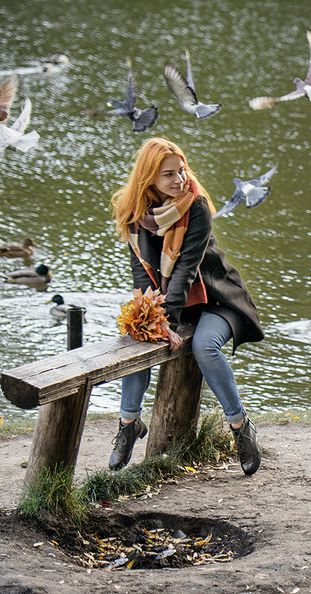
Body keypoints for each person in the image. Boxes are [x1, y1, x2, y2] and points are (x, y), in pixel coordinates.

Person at [108, 137, 265, 474]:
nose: (179, 180)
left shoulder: (195, 206)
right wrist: (150, 316)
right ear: (149, 178)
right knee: (135, 338)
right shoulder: (134, 213)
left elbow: (184, 271)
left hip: (218, 299)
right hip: (176, 305)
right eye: (169, 174)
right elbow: (142, 271)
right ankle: (129, 424)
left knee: (205, 347)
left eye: (181, 171)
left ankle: (241, 427)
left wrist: (169, 321)